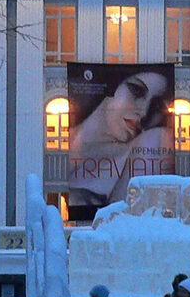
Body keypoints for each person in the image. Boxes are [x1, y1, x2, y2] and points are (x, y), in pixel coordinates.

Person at [68, 68, 173, 212]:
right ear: (112, 86)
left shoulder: (151, 142)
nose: (143, 112)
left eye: (156, 104)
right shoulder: (63, 144)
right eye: (137, 91)